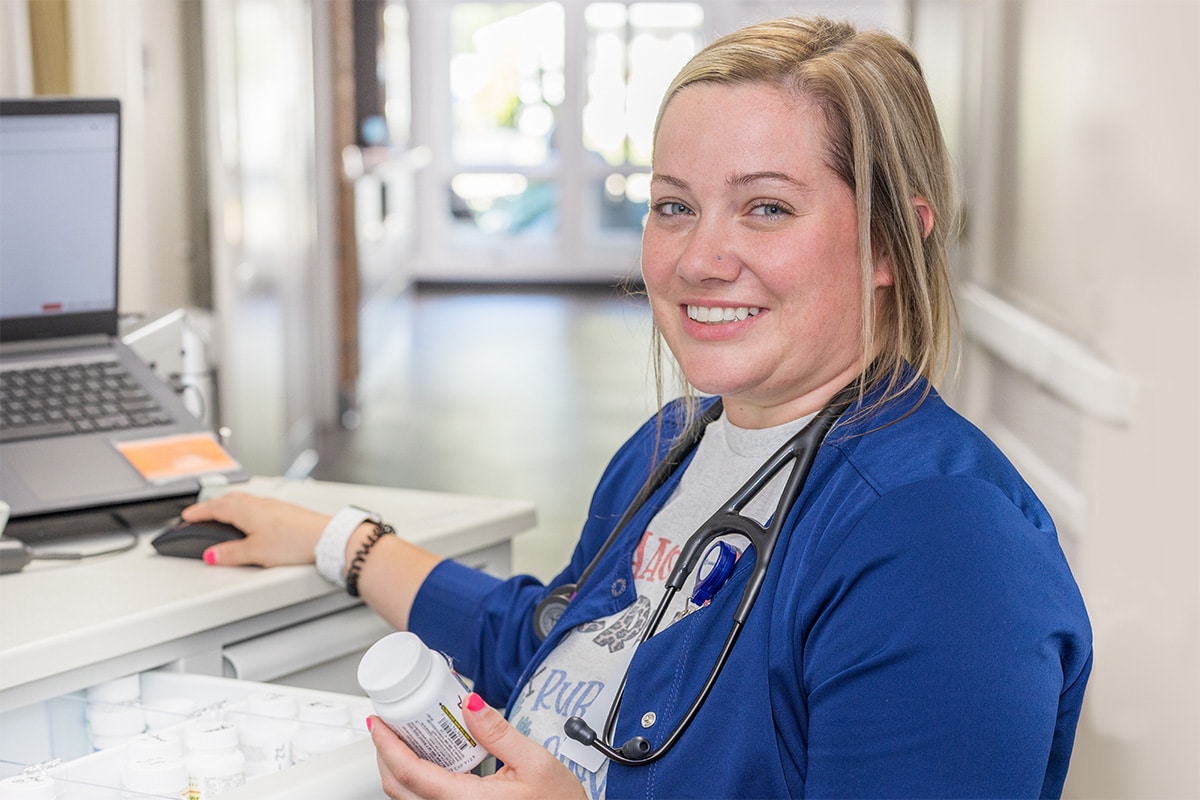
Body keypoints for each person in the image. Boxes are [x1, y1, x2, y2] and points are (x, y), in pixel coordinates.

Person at [184, 15, 1092, 799]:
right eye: (672, 206)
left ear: (893, 240)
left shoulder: (940, 545)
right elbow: (549, 647)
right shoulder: (673, 447)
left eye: (766, 208)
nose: (700, 258)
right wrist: (339, 541)